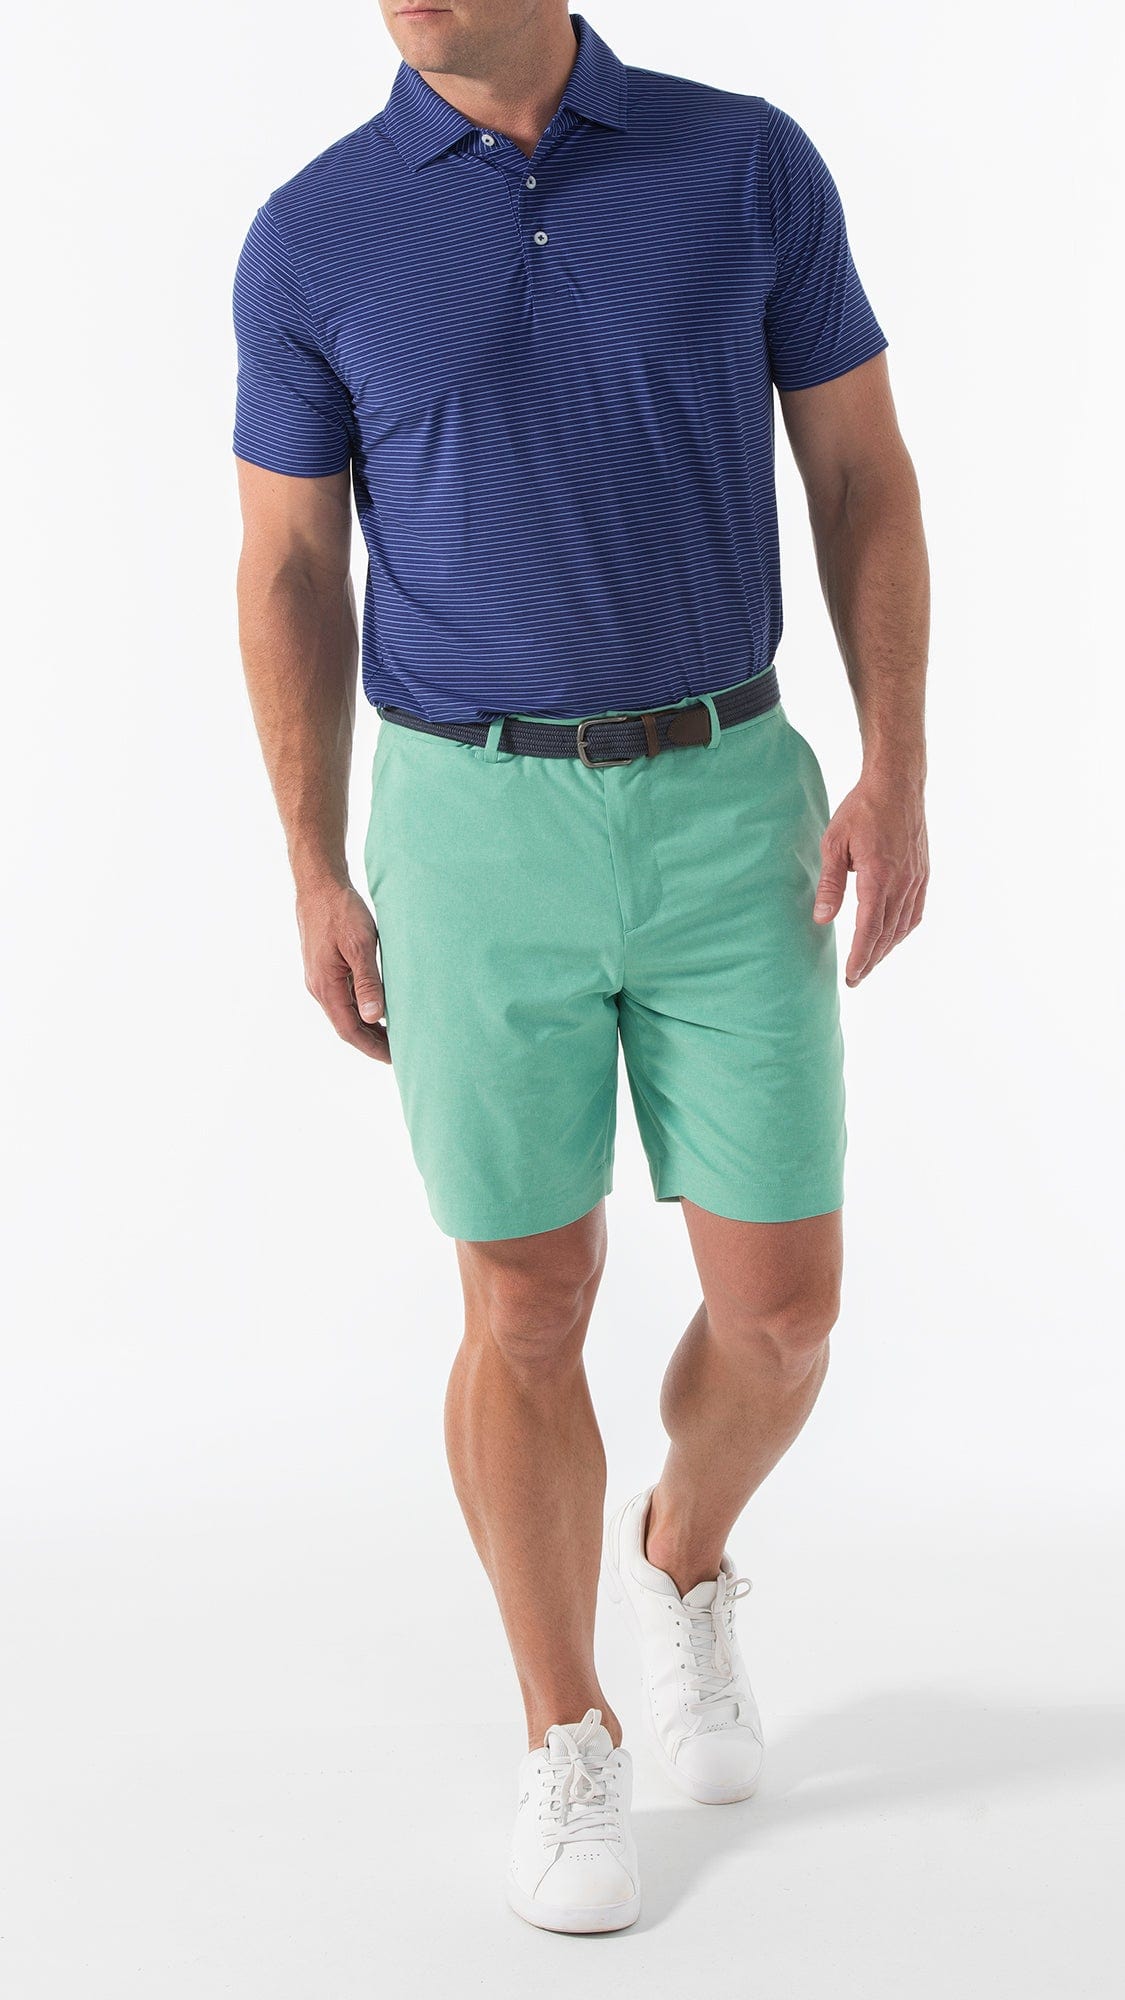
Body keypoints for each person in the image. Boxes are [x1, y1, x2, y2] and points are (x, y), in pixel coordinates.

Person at [231, 2, 930, 1936]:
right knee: (526, 1298)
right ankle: (566, 1727)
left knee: (781, 1310)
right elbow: (287, 566)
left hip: (727, 798)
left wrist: (897, 761)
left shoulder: (740, 161)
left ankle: (681, 1556)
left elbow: (859, 469)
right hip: (467, 825)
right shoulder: (313, 232)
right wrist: (310, 859)